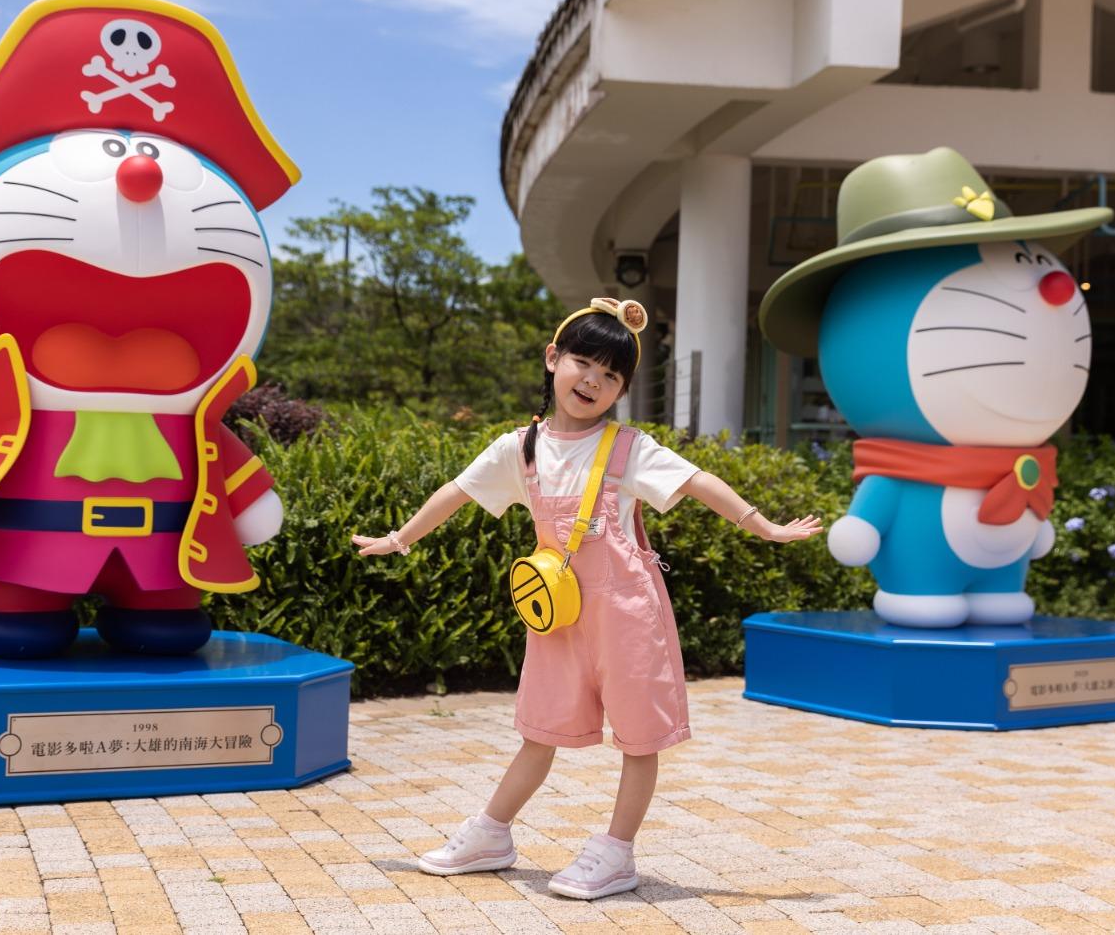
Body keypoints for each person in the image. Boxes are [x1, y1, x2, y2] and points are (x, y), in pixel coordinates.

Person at [352, 297, 823, 900]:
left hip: (627, 615)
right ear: (554, 358)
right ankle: (491, 835)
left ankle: (616, 853)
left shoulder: (629, 448)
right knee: (540, 729)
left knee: (639, 737)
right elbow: (457, 491)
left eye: (611, 374)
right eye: (583, 362)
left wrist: (764, 526)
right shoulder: (519, 448)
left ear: (622, 389)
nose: (593, 380)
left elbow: (699, 481)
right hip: (557, 616)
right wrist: (399, 539)